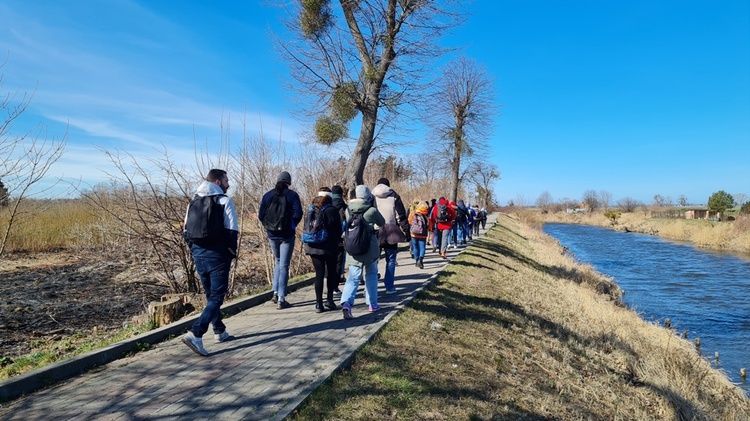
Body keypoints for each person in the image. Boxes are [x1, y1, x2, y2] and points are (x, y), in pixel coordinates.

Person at [181, 169, 238, 356]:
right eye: (226, 181)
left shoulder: (193, 202)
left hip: (199, 255)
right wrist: (229, 253)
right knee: (217, 297)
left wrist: (195, 250)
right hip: (218, 256)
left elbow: (186, 232)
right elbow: (232, 231)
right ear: (217, 181)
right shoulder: (224, 201)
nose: (229, 184)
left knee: (210, 295)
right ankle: (196, 333)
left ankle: (219, 330)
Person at [258, 171, 303, 309]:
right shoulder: (292, 195)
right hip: (287, 235)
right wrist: (291, 225)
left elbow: (261, 215)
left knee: (278, 261)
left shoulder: (268, 195)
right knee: (284, 265)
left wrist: (269, 226)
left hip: (272, 235)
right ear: (289, 183)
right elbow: (299, 213)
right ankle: (281, 299)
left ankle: (275, 292)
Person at [340, 185, 385, 318]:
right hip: (369, 248)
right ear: (368, 196)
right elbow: (382, 222)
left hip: (354, 247)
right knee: (371, 275)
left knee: (353, 277)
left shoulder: (348, 210)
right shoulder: (371, 210)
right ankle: (372, 304)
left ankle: (347, 303)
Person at [303, 193, 342, 312]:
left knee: (318, 274)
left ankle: (318, 304)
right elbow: (338, 229)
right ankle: (329, 300)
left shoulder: (311, 210)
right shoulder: (332, 210)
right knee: (330, 273)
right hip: (329, 247)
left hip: (313, 247)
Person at [371, 177, 409, 294]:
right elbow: (400, 215)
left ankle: (372, 288)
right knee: (391, 260)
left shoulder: (371, 195)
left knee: (373, 260)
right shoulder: (394, 195)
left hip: (375, 231)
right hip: (391, 230)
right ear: (388, 185)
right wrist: (406, 230)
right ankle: (389, 287)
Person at [331, 185, 347, 290]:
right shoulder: (344, 207)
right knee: (338, 262)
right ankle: (335, 286)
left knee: (329, 262)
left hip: (328, 238)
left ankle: (328, 285)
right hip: (341, 238)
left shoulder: (327, 205)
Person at [408, 200, 431, 269]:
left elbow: (409, 221)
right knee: (422, 247)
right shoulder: (426, 214)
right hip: (423, 234)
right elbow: (429, 224)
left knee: (415, 247)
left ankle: (416, 260)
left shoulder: (414, 213)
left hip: (414, 234)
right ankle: (421, 259)